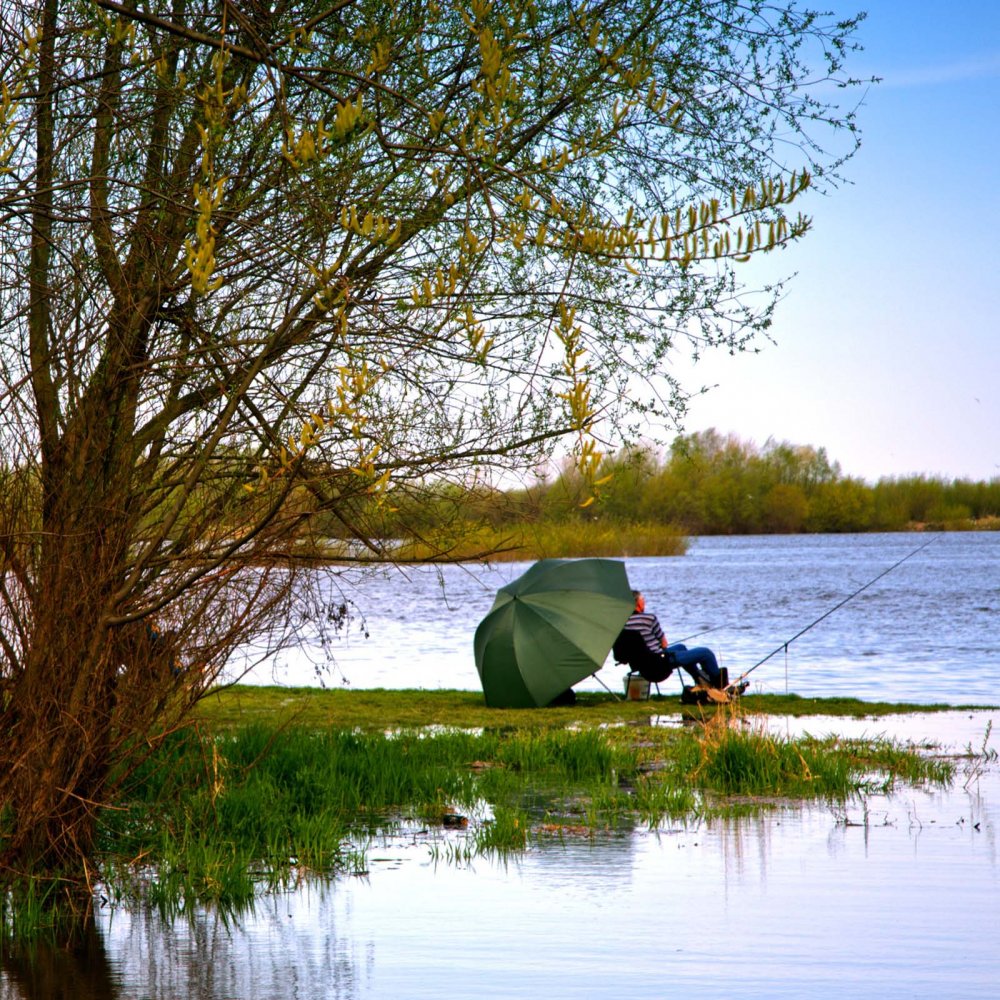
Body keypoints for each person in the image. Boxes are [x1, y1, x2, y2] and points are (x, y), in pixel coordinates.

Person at [621, 590, 722, 688]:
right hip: (659, 665)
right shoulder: (649, 619)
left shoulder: (622, 624)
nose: (644, 602)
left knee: (681, 647)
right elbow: (664, 644)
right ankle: (721, 685)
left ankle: (701, 680)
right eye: (643, 600)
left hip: (643, 667)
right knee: (706, 653)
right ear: (638, 603)